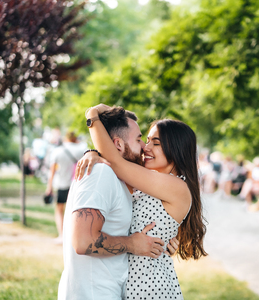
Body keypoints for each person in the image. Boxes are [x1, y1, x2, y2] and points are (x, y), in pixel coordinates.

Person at [78, 104, 207, 300]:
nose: (145, 148)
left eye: (156, 143)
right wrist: (93, 153)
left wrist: (92, 115)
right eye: (146, 141)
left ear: (176, 149)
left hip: (151, 289)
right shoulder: (150, 183)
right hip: (135, 286)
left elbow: (117, 162)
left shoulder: (176, 186)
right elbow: (117, 159)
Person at [58, 107, 170, 300]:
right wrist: (132, 244)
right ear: (118, 144)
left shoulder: (115, 177)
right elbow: (83, 242)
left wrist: (165, 238)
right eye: (138, 139)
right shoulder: (102, 174)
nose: (144, 146)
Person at [45, 131, 86, 243]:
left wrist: (49, 187)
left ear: (65, 138)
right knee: (75, 211)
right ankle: (74, 236)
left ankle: (62, 236)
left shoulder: (57, 151)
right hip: (77, 185)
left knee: (59, 210)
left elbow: (52, 171)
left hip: (61, 184)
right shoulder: (81, 150)